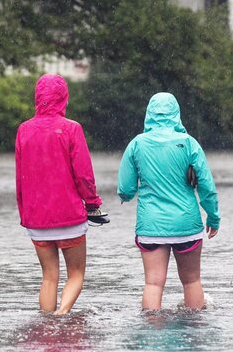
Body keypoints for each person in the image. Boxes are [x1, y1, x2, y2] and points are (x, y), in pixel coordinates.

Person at [117, 92, 220, 311]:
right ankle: (194, 335)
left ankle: (151, 334)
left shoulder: (137, 144)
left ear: (149, 114)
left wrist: (130, 193)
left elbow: (125, 190)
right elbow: (206, 187)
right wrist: (213, 217)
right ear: (177, 114)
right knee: (192, 281)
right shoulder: (189, 143)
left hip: (151, 225)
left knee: (153, 283)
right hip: (186, 224)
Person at [15, 74, 106, 315]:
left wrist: (25, 213)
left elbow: (20, 177)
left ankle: (47, 324)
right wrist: (93, 202)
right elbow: (83, 174)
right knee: (76, 274)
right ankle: (62, 313)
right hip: (69, 217)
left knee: (49, 277)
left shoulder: (23, 130)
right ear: (64, 98)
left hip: (37, 218)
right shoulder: (71, 129)